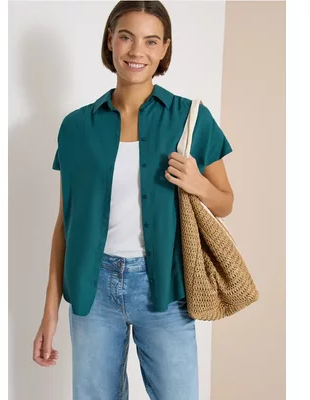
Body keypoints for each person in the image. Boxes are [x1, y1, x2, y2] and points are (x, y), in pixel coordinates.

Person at [32, 1, 234, 399]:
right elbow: (65, 223)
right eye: (126, 37)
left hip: (166, 289)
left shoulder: (190, 118)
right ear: (110, 41)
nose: (137, 51)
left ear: (164, 49)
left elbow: (225, 203)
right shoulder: (76, 127)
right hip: (92, 290)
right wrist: (50, 311)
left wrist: (198, 183)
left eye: (151, 41)